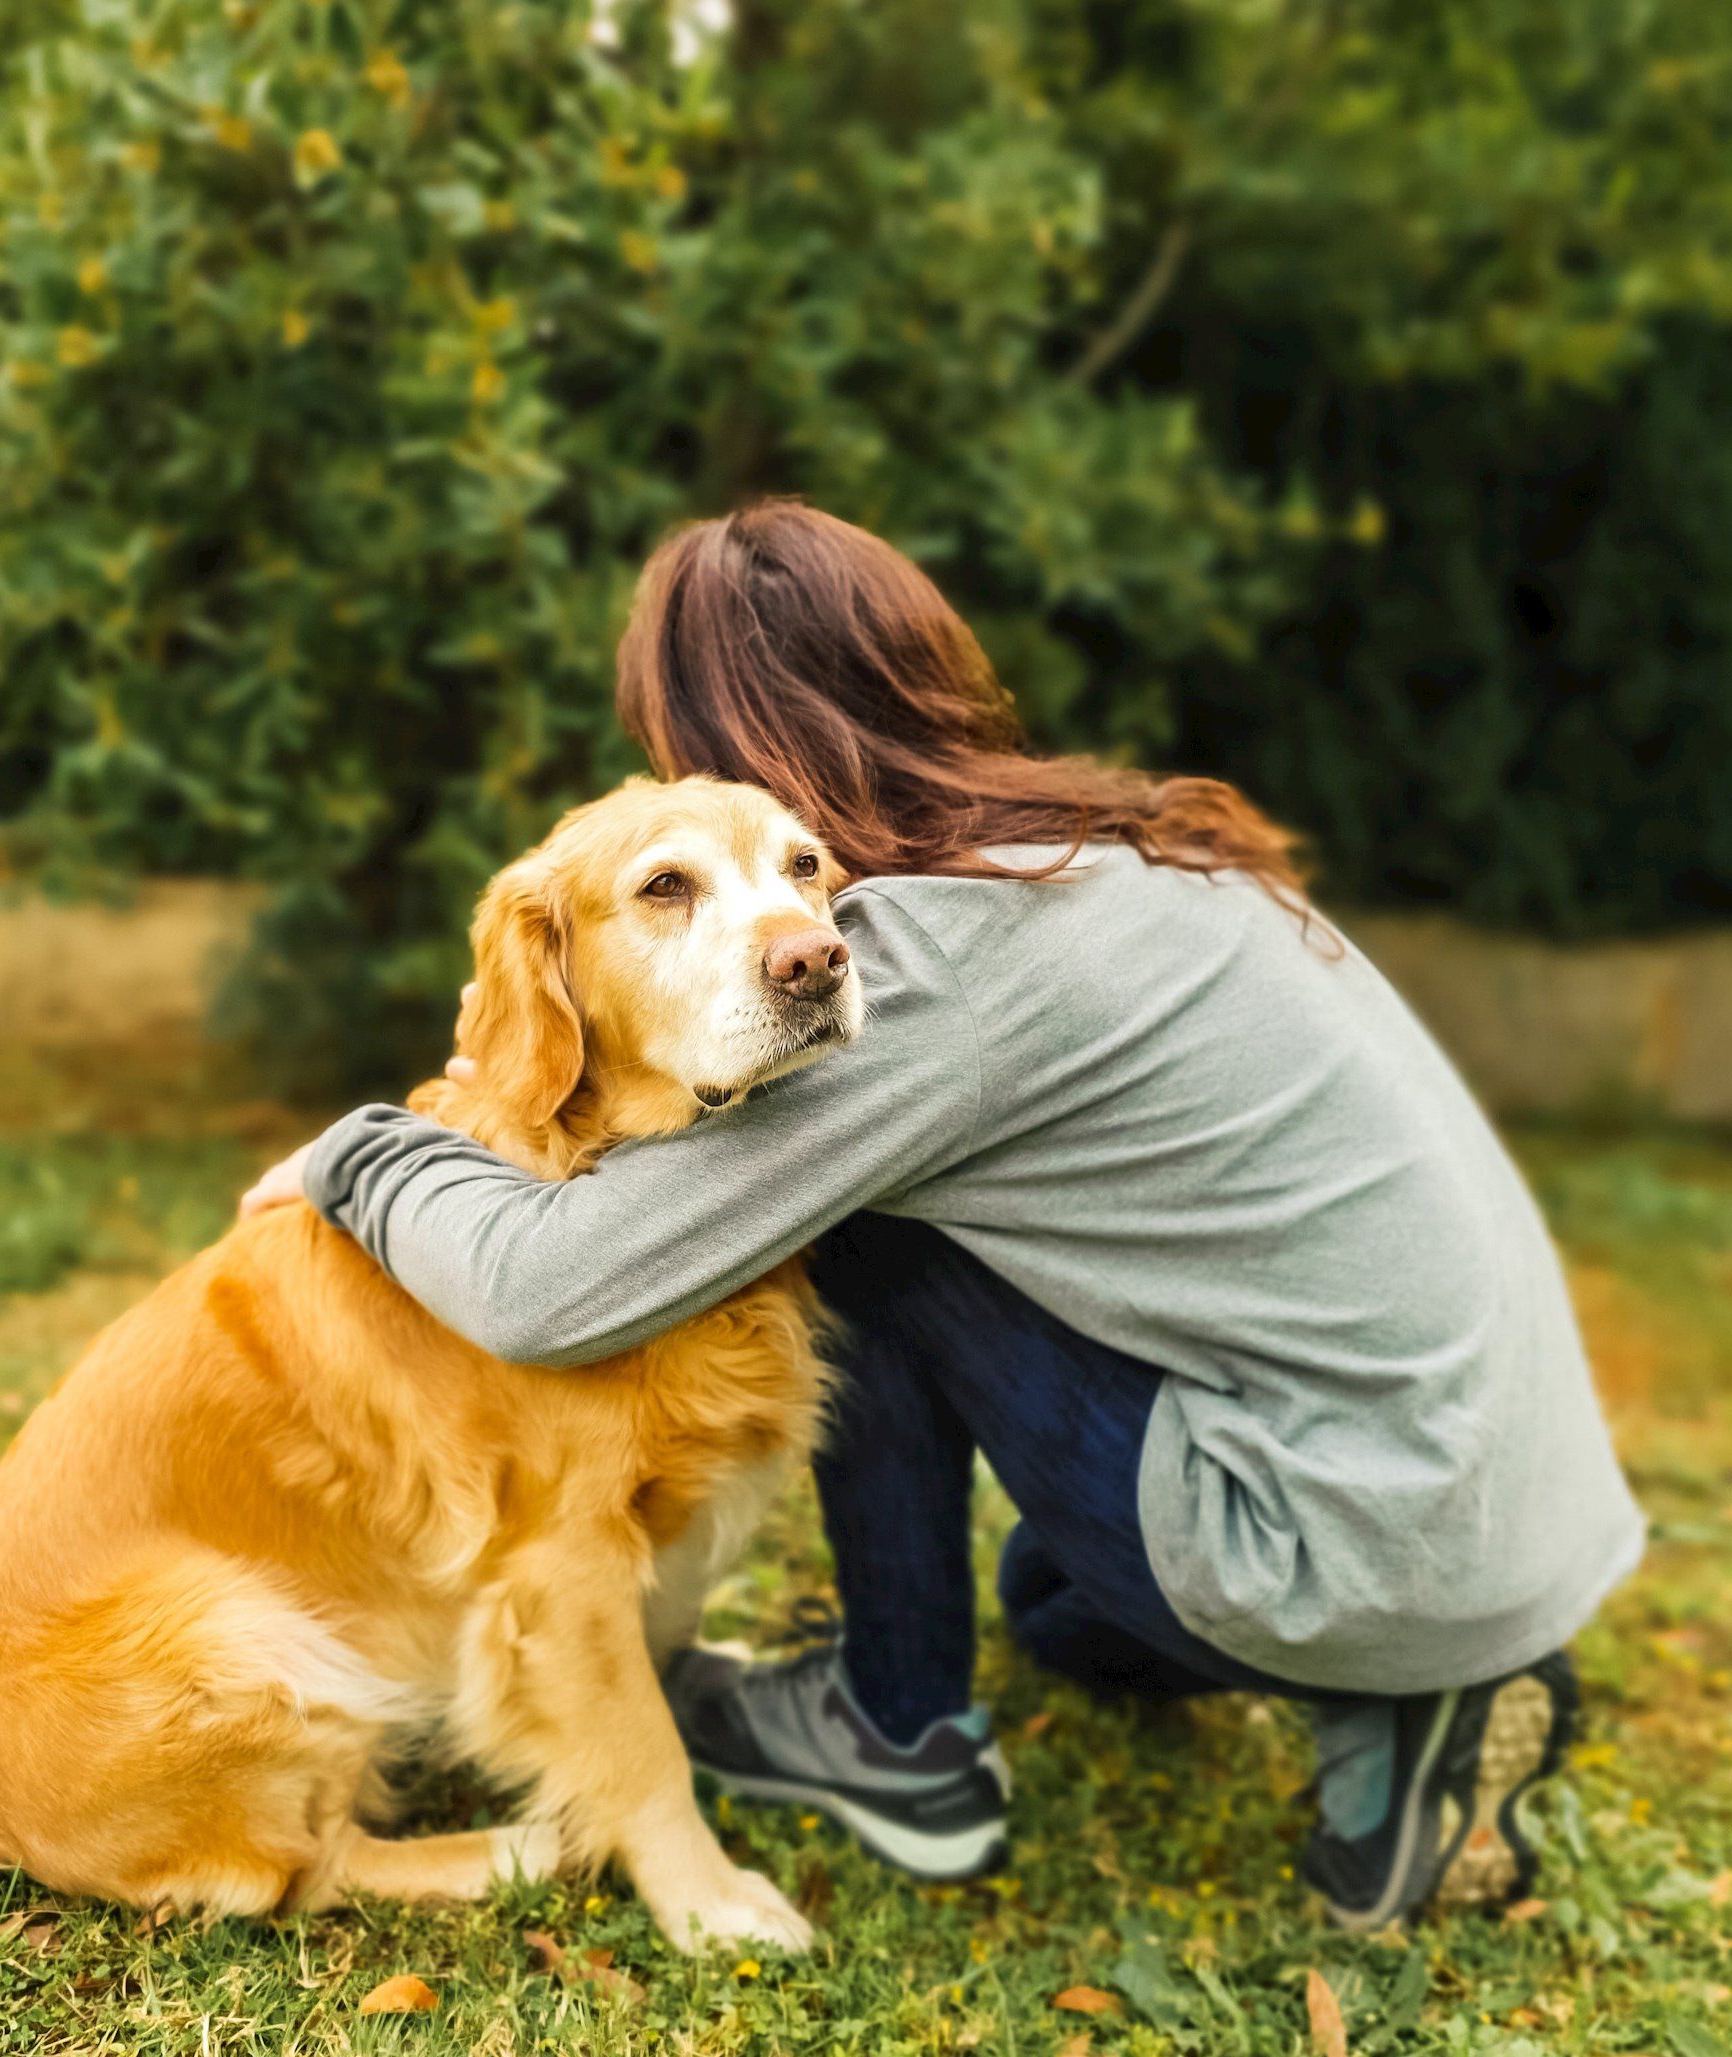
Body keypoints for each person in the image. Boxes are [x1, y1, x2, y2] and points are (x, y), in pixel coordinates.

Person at [242, 499, 1641, 1931]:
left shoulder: (929, 960)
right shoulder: (1124, 848)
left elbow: (549, 1293)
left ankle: (903, 1731)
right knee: (1049, 1609)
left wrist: (365, 1158)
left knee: (862, 1219)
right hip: (1503, 1501)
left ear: (716, 730)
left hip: (1328, 1536)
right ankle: (1416, 1687)